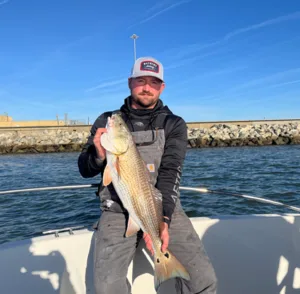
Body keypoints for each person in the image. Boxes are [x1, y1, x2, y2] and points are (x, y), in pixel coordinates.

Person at [78, 56, 217, 294]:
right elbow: (85, 169)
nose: (146, 87)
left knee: (203, 280)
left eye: (153, 82)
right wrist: (99, 155)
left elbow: (171, 173)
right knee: (106, 287)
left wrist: (163, 221)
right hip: (115, 209)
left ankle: (167, 262)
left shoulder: (174, 123)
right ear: (130, 83)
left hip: (161, 205)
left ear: (162, 87)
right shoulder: (107, 120)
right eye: (140, 80)